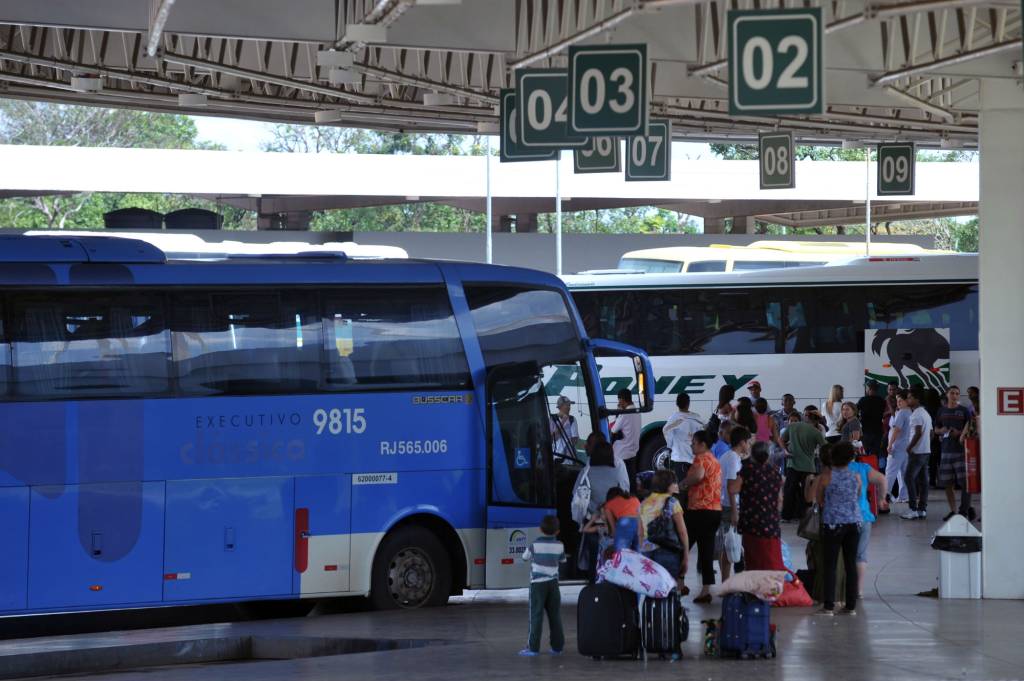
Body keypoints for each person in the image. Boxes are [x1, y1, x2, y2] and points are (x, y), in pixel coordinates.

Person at [814, 442, 862, 616]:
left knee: (830, 565)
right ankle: (850, 606)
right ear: (850, 458)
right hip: (854, 523)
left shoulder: (826, 477)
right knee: (851, 564)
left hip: (833, 524)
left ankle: (828, 606)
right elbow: (857, 496)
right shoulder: (855, 476)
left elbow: (819, 499)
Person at [681, 430, 722, 604]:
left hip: (699, 510)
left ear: (703, 444)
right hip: (714, 510)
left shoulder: (701, 459)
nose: (691, 445)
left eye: (694, 443)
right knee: (706, 551)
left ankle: (679, 583)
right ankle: (706, 590)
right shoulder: (714, 459)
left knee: (682, 546)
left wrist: (683, 483)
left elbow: (697, 476)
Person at [519, 515, 566, 656]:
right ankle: (557, 647)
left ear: (540, 529)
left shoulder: (534, 545)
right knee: (555, 616)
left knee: (536, 616)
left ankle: (533, 648)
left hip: (537, 585)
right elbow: (562, 560)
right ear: (557, 531)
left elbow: (524, 557)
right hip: (553, 584)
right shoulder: (560, 545)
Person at [735, 441, 785, 571]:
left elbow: (733, 488)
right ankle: (770, 589)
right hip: (771, 523)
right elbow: (780, 499)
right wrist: (775, 515)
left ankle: (754, 589)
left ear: (752, 455)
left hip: (751, 522)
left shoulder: (747, 470)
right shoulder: (775, 473)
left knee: (753, 558)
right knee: (770, 558)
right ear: (768, 456)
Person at [639, 470, 690, 594]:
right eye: (674, 483)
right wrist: (686, 556)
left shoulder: (643, 503)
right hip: (668, 551)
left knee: (651, 590)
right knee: (669, 589)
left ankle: (653, 612)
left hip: (647, 552)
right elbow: (682, 532)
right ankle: (669, 612)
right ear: (667, 485)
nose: (677, 485)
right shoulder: (672, 502)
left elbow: (640, 533)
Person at [848, 448, 888, 597]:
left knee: (843, 554)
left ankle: (843, 587)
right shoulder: (863, 468)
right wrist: (882, 498)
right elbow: (882, 479)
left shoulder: (834, 470)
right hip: (863, 515)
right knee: (860, 555)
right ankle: (858, 590)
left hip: (843, 518)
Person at [935, 386, 975, 521]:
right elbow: (936, 428)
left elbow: (971, 426)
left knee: (965, 483)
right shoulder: (941, 411)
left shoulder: (963, 411)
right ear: (947, 394)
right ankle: (953, 510)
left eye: (957, 393)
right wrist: (942, 431)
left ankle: (964, 510)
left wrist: (960, 433)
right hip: (946, 451)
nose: (954, 395)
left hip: (961, 451)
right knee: (948, 483)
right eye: (952, 393)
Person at [719, 426, 751, 582]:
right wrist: (734, 511)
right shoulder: (732, 458)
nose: (749, 444)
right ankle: (726, 582)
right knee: (730, 545)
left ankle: (728, 581)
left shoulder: (731, 456)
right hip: (729, 506)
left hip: (729, 505)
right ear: (742, 442)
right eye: (748, 441)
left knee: (731, 544)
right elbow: (731, 486)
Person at [781, 410, 826, 521]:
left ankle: (786, 516)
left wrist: (786, 450)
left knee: (789, 491)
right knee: (807, 493)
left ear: (806, 418)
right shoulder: (816, 432)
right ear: (817, 420)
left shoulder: (792, 426)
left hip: (792, 463)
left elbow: (781, 440)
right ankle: (805, 516)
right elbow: (825, 447)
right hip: (808, 466)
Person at [662, 392, 705, 495]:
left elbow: (666, 432)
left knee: (681, 489)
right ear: (688, 403)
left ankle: (682, 509)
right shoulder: (697, 418)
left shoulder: (674, 418)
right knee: (695, 489)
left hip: (679, 458)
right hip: (695, 459)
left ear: (677, 404)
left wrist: (671, 444)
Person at [901, 388, 933, 520]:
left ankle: (913, 509)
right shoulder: (926, 413)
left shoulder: (916, 415)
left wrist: (909, 447)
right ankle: (922, 509)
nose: (907, 400)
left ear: (917, 399)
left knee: (909, 478)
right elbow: (931, 434)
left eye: (909, 397)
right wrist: (926, 444)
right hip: (926, 451)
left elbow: (918, 433)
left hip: (917, 452)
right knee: (923, 481)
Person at [610, 388, 642, 492]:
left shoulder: (625, 413)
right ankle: (633, 499)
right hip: (633, 452)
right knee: (631, 478)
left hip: (621, 453)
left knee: (621, 481)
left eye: (619, 400)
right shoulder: (636, 411)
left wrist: (618, 413)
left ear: (623, 399)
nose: (619, 403)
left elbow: (613, 429)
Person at [886, 391, 912, 505]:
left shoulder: (902, 413)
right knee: (904, 472)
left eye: (901, 400)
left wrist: (890, 444)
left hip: (898, 446)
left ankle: (885, 494)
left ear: (907, 401)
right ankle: (904, 496)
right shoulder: (910, 412)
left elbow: (896, 430)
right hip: (907, 446)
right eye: (897, 401)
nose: (898, 403)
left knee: (890, 471)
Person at [603, 487, 641, 551]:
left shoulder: (608, 505)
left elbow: (613, 528)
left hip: (626, 522)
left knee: (620, 553)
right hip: (641, 522)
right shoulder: (635, 498)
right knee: (638, 553)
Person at [857, 382, 886, 461]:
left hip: (866, 431)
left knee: (865, 454)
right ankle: (875, 470)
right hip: (878, 431)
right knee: (875, 455)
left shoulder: (863, 400)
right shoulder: (882, 400)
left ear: (869, 389)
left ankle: (866, 471)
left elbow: (855, 411)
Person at [550, 395, 578, 463]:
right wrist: (563, 422)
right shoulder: (553, 419)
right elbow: (552, 438)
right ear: (560, 407)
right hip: (556, 456)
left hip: (569, 458)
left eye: (569, 405)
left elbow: (575, 440)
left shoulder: (572, 419)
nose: (569, 407)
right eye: (567, 405)